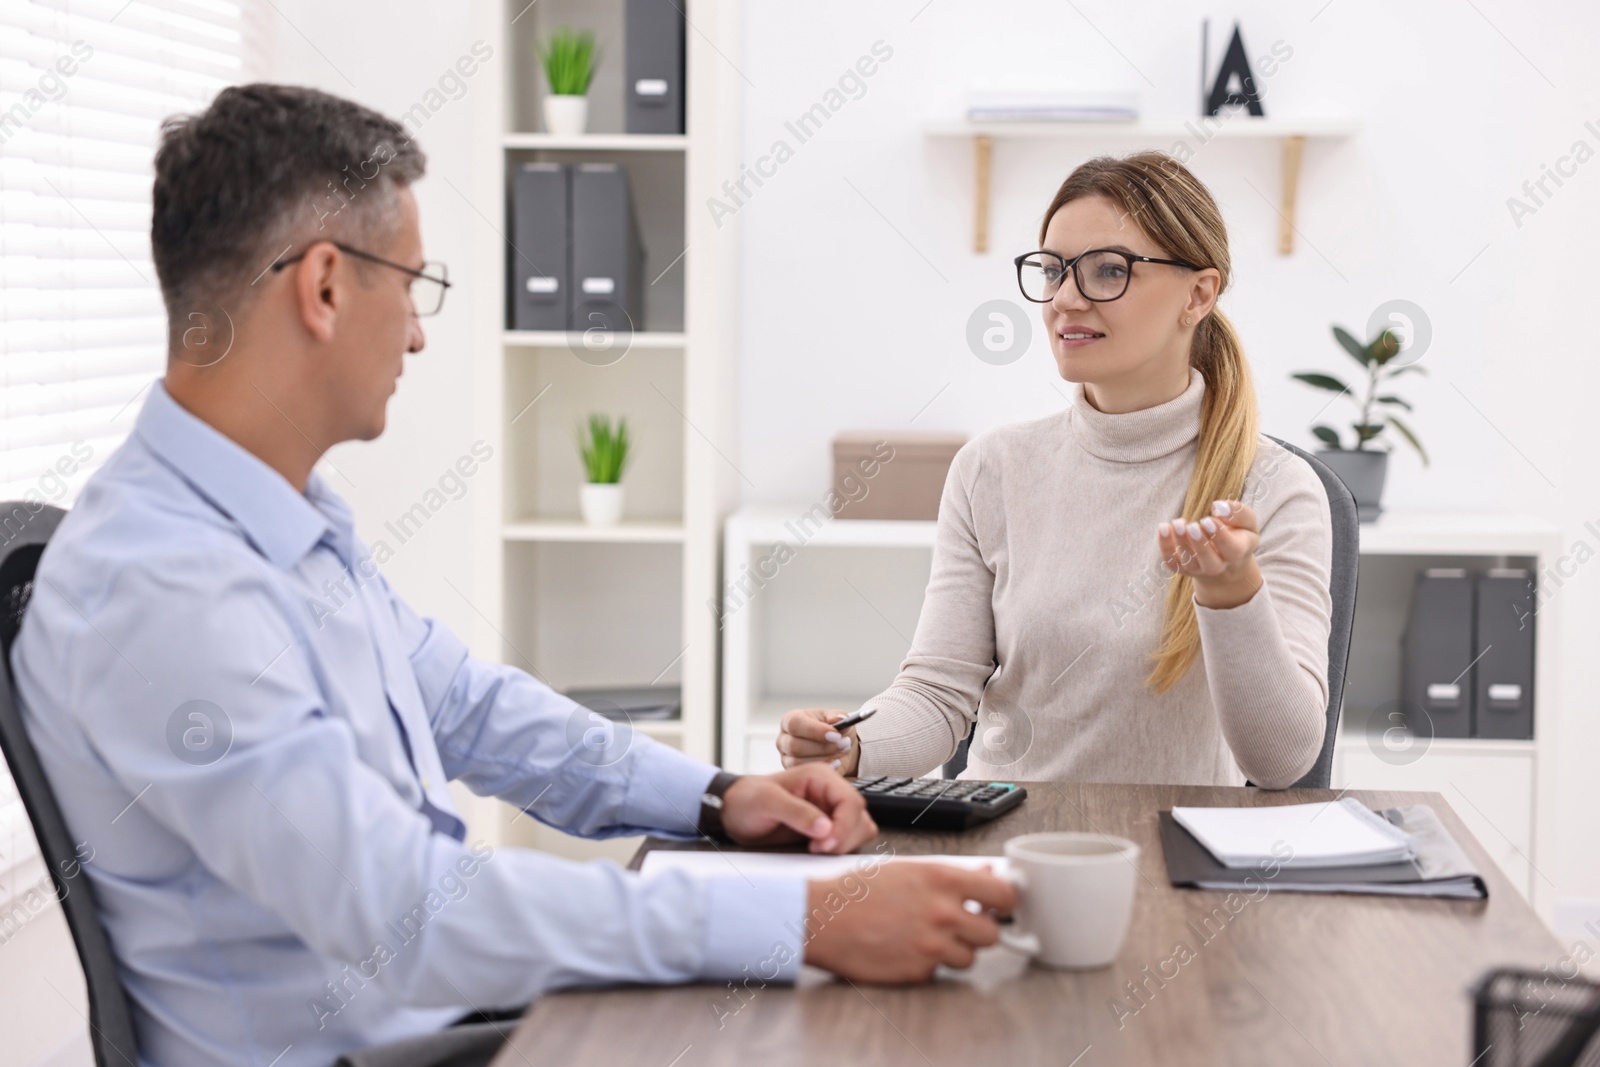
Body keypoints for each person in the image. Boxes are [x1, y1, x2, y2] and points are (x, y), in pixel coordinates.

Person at [9, 84, 1015, 1067]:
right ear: (321, 286)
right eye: (410, 285)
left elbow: (469, 706)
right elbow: (406, 908)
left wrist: (715, 795)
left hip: (440, 1017)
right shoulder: (156, 586)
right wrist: (804, 917)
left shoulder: (278, 515)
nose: (415, 331)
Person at [779, 151, 1333, 790]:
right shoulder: (992, 469)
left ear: (1198, 293)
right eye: (1053, 270)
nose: (1065, 299)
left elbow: (1283, 762)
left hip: (1174, 860)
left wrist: (1233, 591)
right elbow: (938, 692)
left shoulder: (1276, 489)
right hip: (1000, 843)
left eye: (1107, 271)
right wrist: (848, 745)